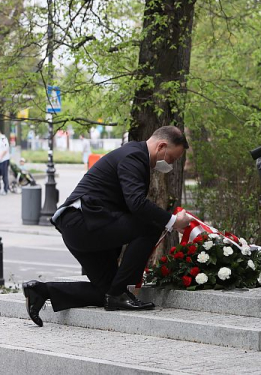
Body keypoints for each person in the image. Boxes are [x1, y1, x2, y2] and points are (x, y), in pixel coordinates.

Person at [22, 125, 193, 327]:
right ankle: (120, 294)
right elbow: (136, 204)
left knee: (108, 291)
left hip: (80, 225)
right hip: (82, 222)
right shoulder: (134, 156)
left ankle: (41, 291)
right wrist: (173, 222)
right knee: (150, 226)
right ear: (162, 145)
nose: (170, 164)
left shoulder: (133, 155)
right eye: (171, 158)